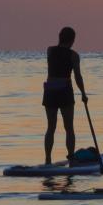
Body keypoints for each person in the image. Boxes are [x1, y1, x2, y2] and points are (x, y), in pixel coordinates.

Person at [42, 27, 87, 164]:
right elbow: (78, 76)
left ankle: (48, 158)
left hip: (50, 90)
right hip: (64, 91)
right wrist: (83, 93)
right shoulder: (74, 55)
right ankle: (71, 157)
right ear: (72, 40)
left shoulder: (50, 50)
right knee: (69, 127)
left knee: (51, 127)